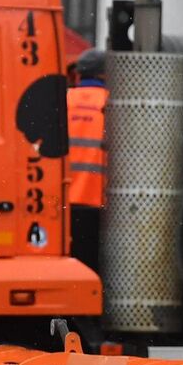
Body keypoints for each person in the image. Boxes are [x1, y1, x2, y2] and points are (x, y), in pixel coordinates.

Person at [65, 48, 108, 269]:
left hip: (61, 204)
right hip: (99, 204)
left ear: (79, 74)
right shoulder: (114, 105)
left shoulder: (62, 101)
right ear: (106, 75)